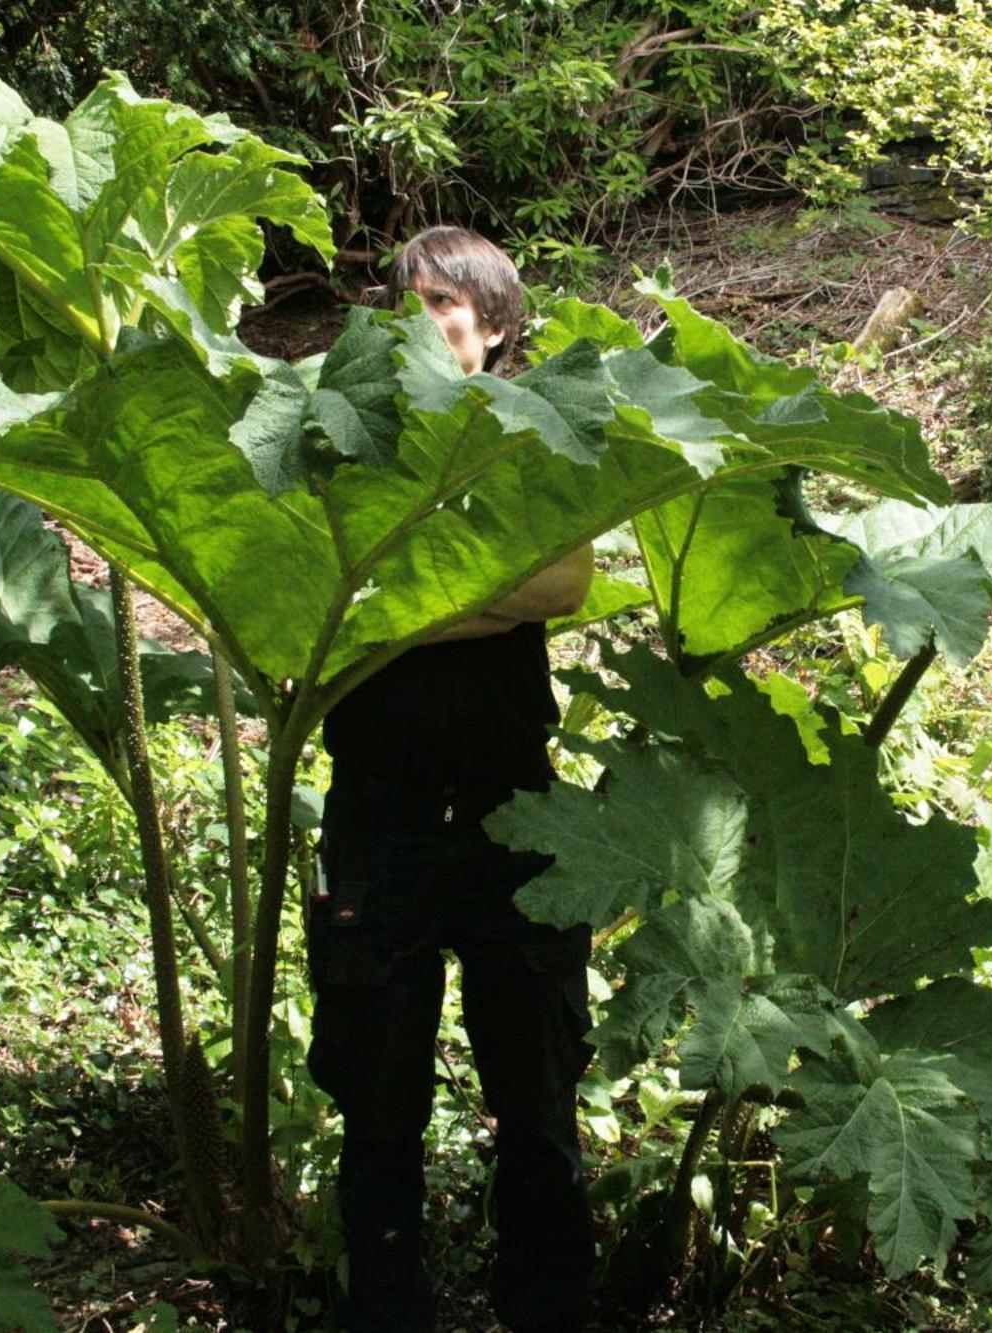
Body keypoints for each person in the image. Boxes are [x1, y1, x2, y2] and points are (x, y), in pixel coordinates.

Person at [305, 226, 597, 1333]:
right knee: (378, 1104)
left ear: (496, 329)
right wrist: (481, 587)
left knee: (536, 1096)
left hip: (511, 811)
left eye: (443, 306)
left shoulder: (530, 431)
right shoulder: (347, 434)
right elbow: (305, 623)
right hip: (377, 823)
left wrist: (386, 604)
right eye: (407, 305)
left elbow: (561, 581)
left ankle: (546, 1311)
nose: (423, 323)